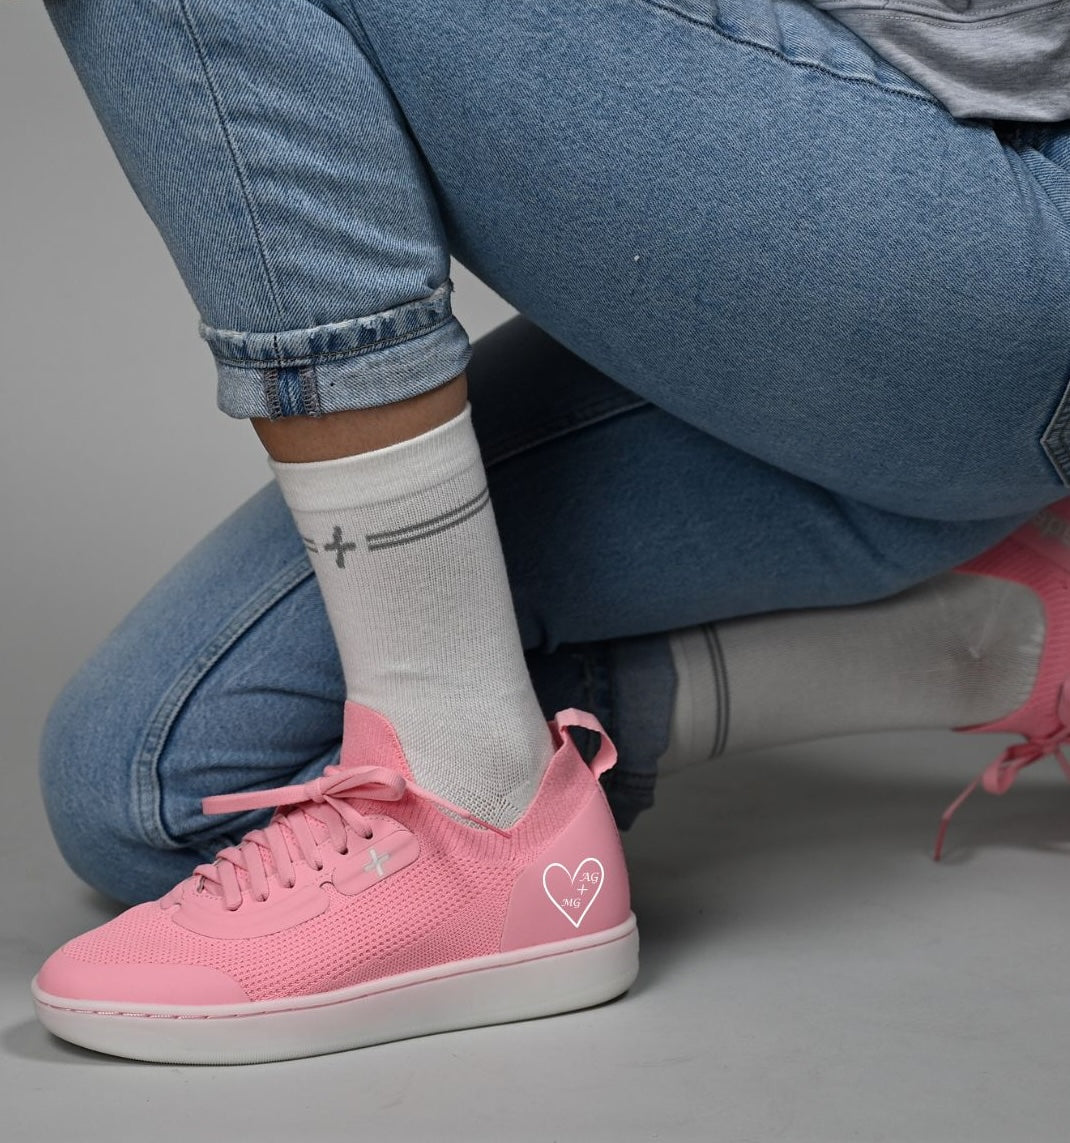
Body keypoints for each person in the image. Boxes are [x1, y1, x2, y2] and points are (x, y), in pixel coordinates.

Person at [28, 0, 1070, 1064]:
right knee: (148, 786)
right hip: (823, 280)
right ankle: (989, 640)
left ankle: (468, 792)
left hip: (994, 239)